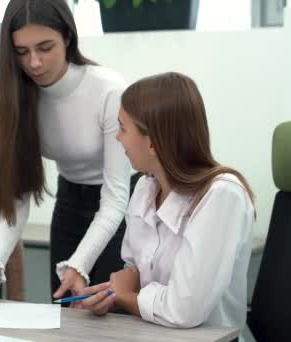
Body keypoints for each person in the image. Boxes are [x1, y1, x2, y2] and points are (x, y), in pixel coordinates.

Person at [0, 0, 133, 308]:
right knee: (64, 312)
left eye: (45, 47)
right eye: (22, 52)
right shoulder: (19, 96)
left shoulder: (108, 89)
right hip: (68, 204)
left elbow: (116, 198)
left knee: (108, 318)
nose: (34, 63)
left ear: (67, 37)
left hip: (121, 207)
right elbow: (18, 194)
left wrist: (79, 264)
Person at [79, 72, 255, 334]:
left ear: (152, 143)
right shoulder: (144, 187)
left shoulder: (222, 196)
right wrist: (113, 296)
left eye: (123, 128)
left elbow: (184, 310)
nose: (118, 138)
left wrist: (126, 296)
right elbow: (136, 274)